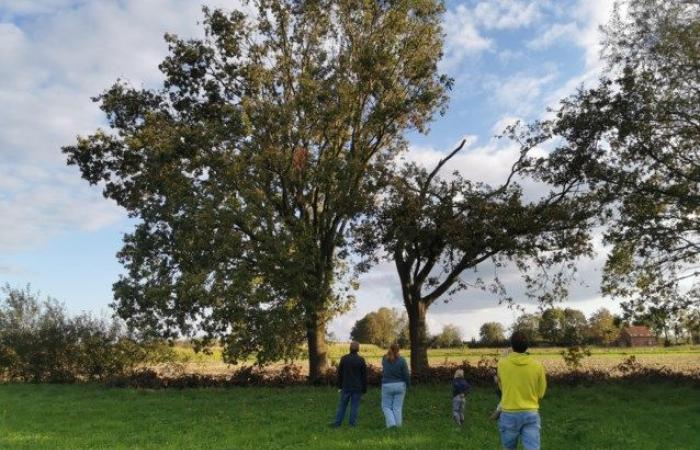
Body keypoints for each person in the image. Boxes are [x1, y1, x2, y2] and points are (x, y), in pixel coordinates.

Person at [496, 331, 547, 450]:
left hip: (509, 413)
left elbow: (501, 387)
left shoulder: (502, 364)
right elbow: (541, 393)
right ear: (527, 346)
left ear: (511, 346)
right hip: (531, 413)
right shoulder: (537, 366)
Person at [332, 341, 367, 427]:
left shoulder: (344, 358)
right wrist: (364, 389)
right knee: (354, 406)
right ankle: (352, 424)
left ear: (349, 348)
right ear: (358, 349)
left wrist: (339, 386)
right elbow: (364, 376)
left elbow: (339, 373)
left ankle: (337, 423)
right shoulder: (361, 360)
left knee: (342, 406)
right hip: (357, 387)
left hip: (346, 386)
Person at [381, 343, 410, 428]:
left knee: (386, 407)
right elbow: (406, 374)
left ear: (390, 348)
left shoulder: (384, 359)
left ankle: (391, 425)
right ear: (399, 350)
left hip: (387, 385)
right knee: (397, 407)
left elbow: (385, 365)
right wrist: (408, 385)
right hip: (400, 385)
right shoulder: (402, 360)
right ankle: (398, 426)